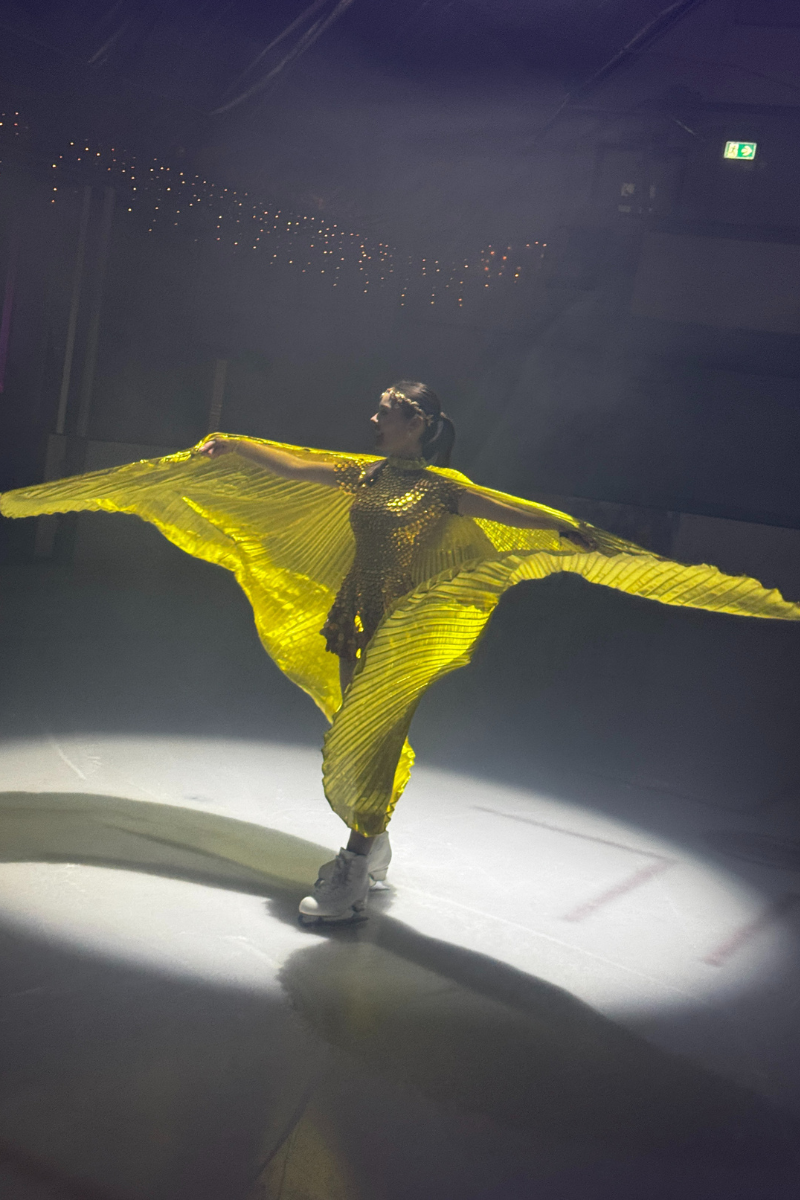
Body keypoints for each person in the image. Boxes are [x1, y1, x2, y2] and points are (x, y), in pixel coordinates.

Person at [2, 381, 799, 926]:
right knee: (357, 724)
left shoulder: (445, 486)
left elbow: (513, 511)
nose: (375, 420)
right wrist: (234, 445)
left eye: (388, 412)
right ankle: (371, 836)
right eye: (379, 411)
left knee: (376, 729)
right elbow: (296, 463)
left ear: (419, 421)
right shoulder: (365, 472)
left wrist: (572, 533)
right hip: (355, 613)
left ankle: (353, 861)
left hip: (409, 621)